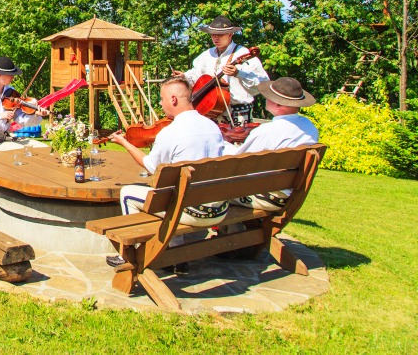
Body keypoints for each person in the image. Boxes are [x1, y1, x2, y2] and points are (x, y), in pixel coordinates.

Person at [105, 76, 228, 268]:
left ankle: (130, 256)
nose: (161, 105)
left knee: (129, 193)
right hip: (218, 208)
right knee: (175, 191)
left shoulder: (171, 132)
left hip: (190, 210)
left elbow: (151, 166)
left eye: (162, 99)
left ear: (173, 99)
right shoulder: (212, 127)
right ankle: (175, 255)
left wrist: (125, 143)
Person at [227, 77, 319, 211]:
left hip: (264, 194)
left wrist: (223, 146)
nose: (265, 98)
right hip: (287, 192)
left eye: (268, 97)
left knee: (206, 193)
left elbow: (238, 164)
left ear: (278, 104)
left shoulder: (267, 131)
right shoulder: (309, 127)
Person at [173, 15, 269, 127]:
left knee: (238, 143)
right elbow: (196, 75)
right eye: (213, 35)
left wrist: (239, 74)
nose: (215, 38)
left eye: (220, 35)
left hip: (238, 112)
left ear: (230, 34)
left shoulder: (242, 54)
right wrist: (184, 77)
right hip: (211, 112)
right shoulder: (207, 54)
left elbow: (262, 83)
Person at [0, 56, 50, 155]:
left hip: (7, 137)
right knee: (22, 152)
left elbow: (22, 120)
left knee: (44, 149)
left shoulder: (10, 92)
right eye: (10, 74)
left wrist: (36, 114)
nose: (13, 77)